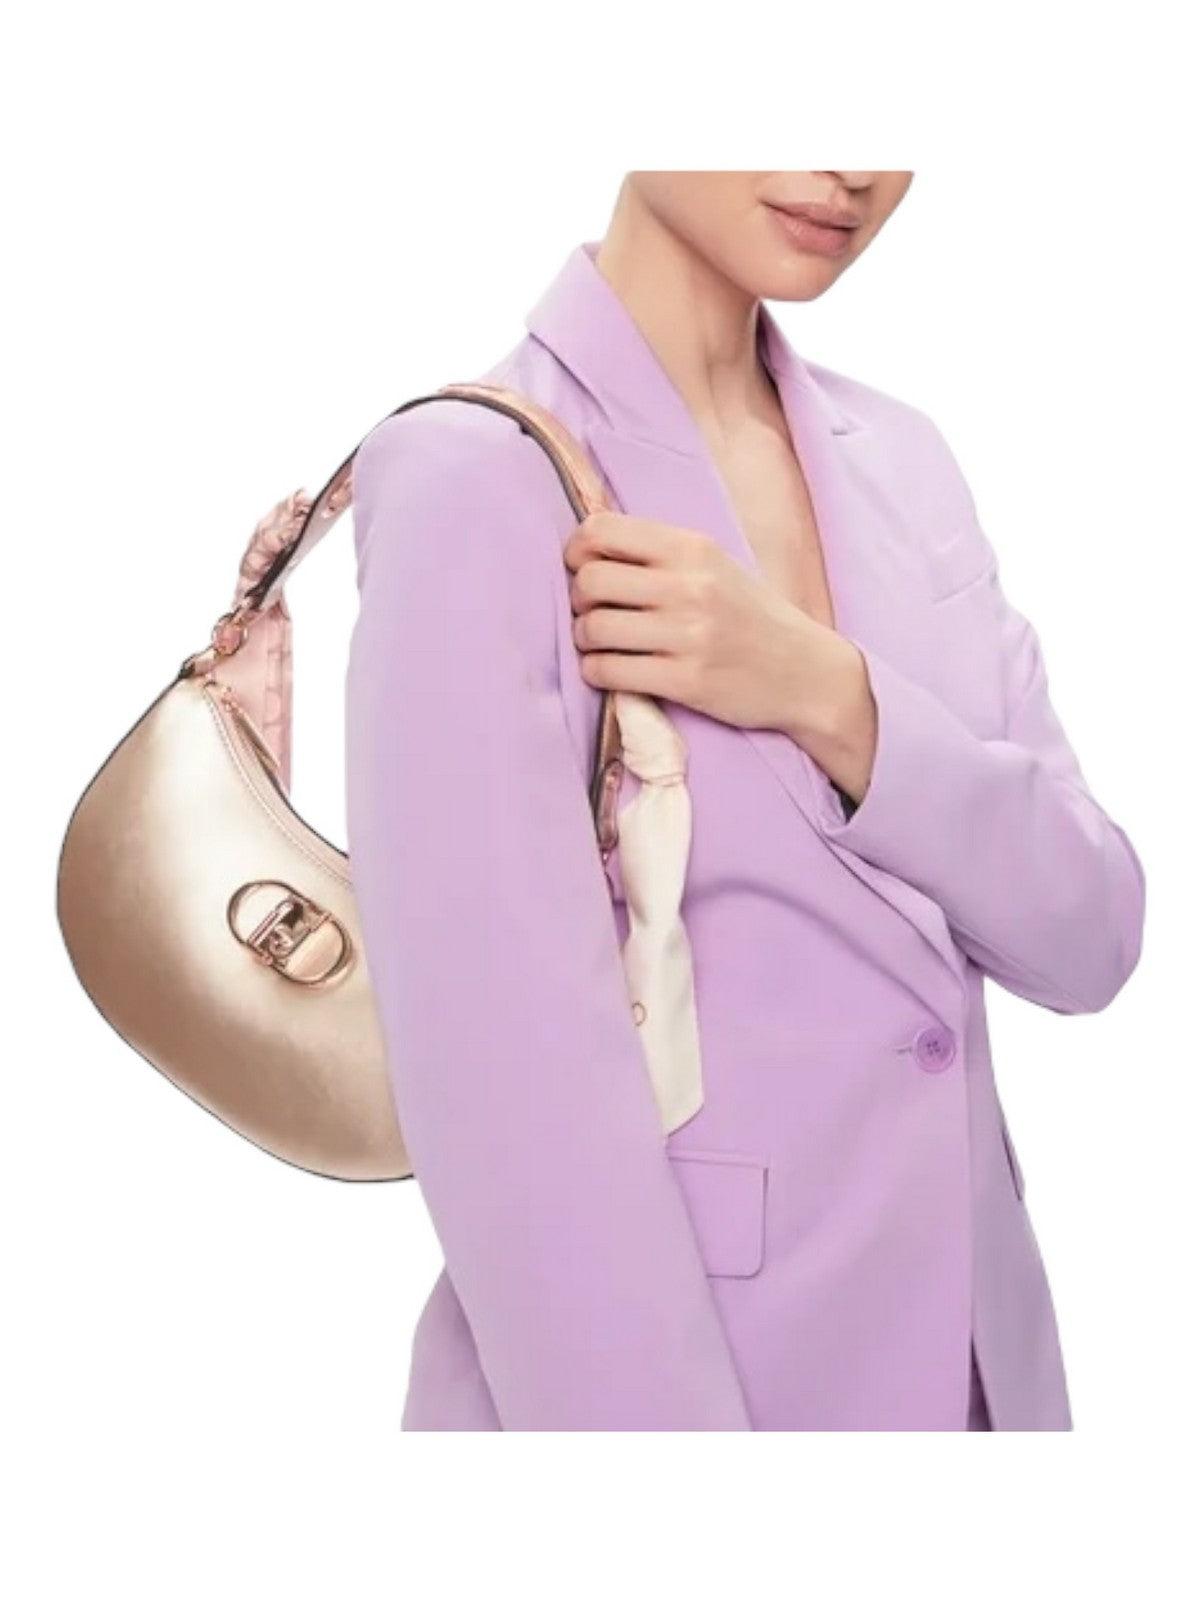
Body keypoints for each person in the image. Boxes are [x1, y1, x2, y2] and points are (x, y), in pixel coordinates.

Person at [343, 172, 1146, 1431]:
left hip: (982, 1396)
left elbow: (1089, 931)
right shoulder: (478, 478)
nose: (849, 166)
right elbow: (512, 1125)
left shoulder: (905, 461)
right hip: (670, 1405)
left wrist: (829, 694)